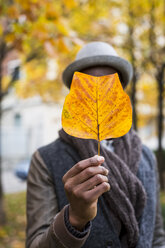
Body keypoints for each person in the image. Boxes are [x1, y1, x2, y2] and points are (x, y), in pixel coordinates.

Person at [26, 42, 165, 248]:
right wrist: (74, 218)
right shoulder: (45, 159)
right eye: (87, 85)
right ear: (74, 95)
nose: (98, 93)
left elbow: (156, 237)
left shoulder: (146, 156)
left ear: (122, 92)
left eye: (110, 85)